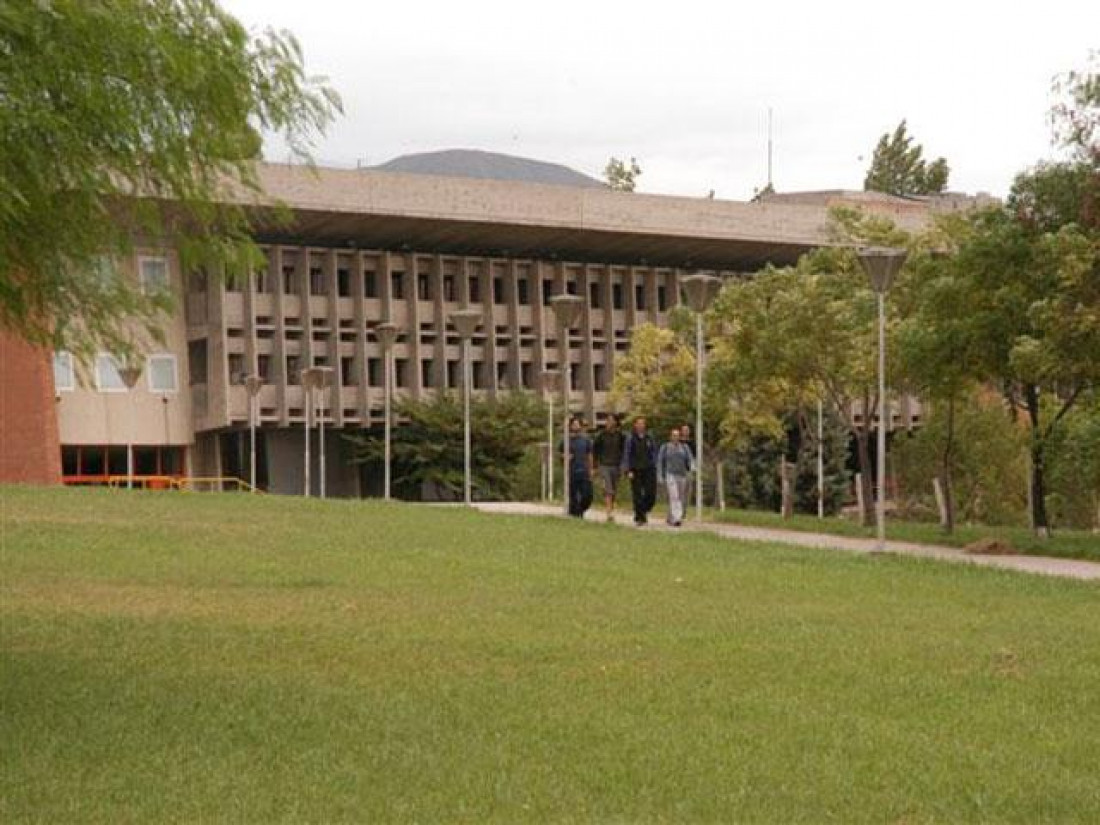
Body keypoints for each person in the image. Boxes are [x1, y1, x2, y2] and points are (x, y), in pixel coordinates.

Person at [621, 416, 658, 526]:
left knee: (650, 494)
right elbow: (626, 454)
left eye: (643, 423)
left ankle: (642, 511)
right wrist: (628, 470)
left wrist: (654, 465)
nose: (641, 425)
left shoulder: (649, 437)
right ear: (635, 425)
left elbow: (654, 452)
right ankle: (640, 517)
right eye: (639, 423)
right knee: (637, 494)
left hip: (648, 469)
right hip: (635, 469)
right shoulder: (630, 438)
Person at [593, 414, 626, 523]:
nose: (609, 422)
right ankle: (609, 512)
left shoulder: (620, 436)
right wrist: (595, 466)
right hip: (604, 465)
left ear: (616, 422)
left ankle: (611, 508)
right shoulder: (601, 436)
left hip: (616, 465)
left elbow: (623, 451)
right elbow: (595, 451)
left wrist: (623, 466)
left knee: (614, 489)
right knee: (608, 489)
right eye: (608, 420)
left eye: (611, 420)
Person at [658, 427, 695, 526]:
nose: (676, 437)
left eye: (677, 436)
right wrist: (660, 476)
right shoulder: (665, 447)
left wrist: (692, 468)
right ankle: (677, 518)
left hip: (682, 475)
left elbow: (690, 459)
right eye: (674, 435)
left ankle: (671, 517)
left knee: (680, 497)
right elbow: (660, 462)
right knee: (674, 496)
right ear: (670, 437)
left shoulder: (684, 447)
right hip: (670, 474)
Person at [562, 416, 594, 518]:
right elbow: (560, 453)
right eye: (573, 424)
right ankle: (576, 513)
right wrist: (565, 457)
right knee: (573, 495)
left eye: (577, 424)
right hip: (571, 471)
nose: (575, 426)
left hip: (584, 470)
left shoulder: (586, 440)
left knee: (587, 495)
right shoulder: (566, 440)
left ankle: (580, 509)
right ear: (570, 426)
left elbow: (590, 455)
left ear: (580, 426)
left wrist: (591, 469)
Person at [680, 423, 697, 510]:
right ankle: (677, 511)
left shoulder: (692, 443)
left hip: (688, 470)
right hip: (679, 470)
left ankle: (683, 511)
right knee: (679, 492)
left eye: (687, 430)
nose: (686, 432)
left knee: (687, 492)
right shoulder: (678, 442)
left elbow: (694, 456)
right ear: (681, 431)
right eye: (684, 430)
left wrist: (694, 467)